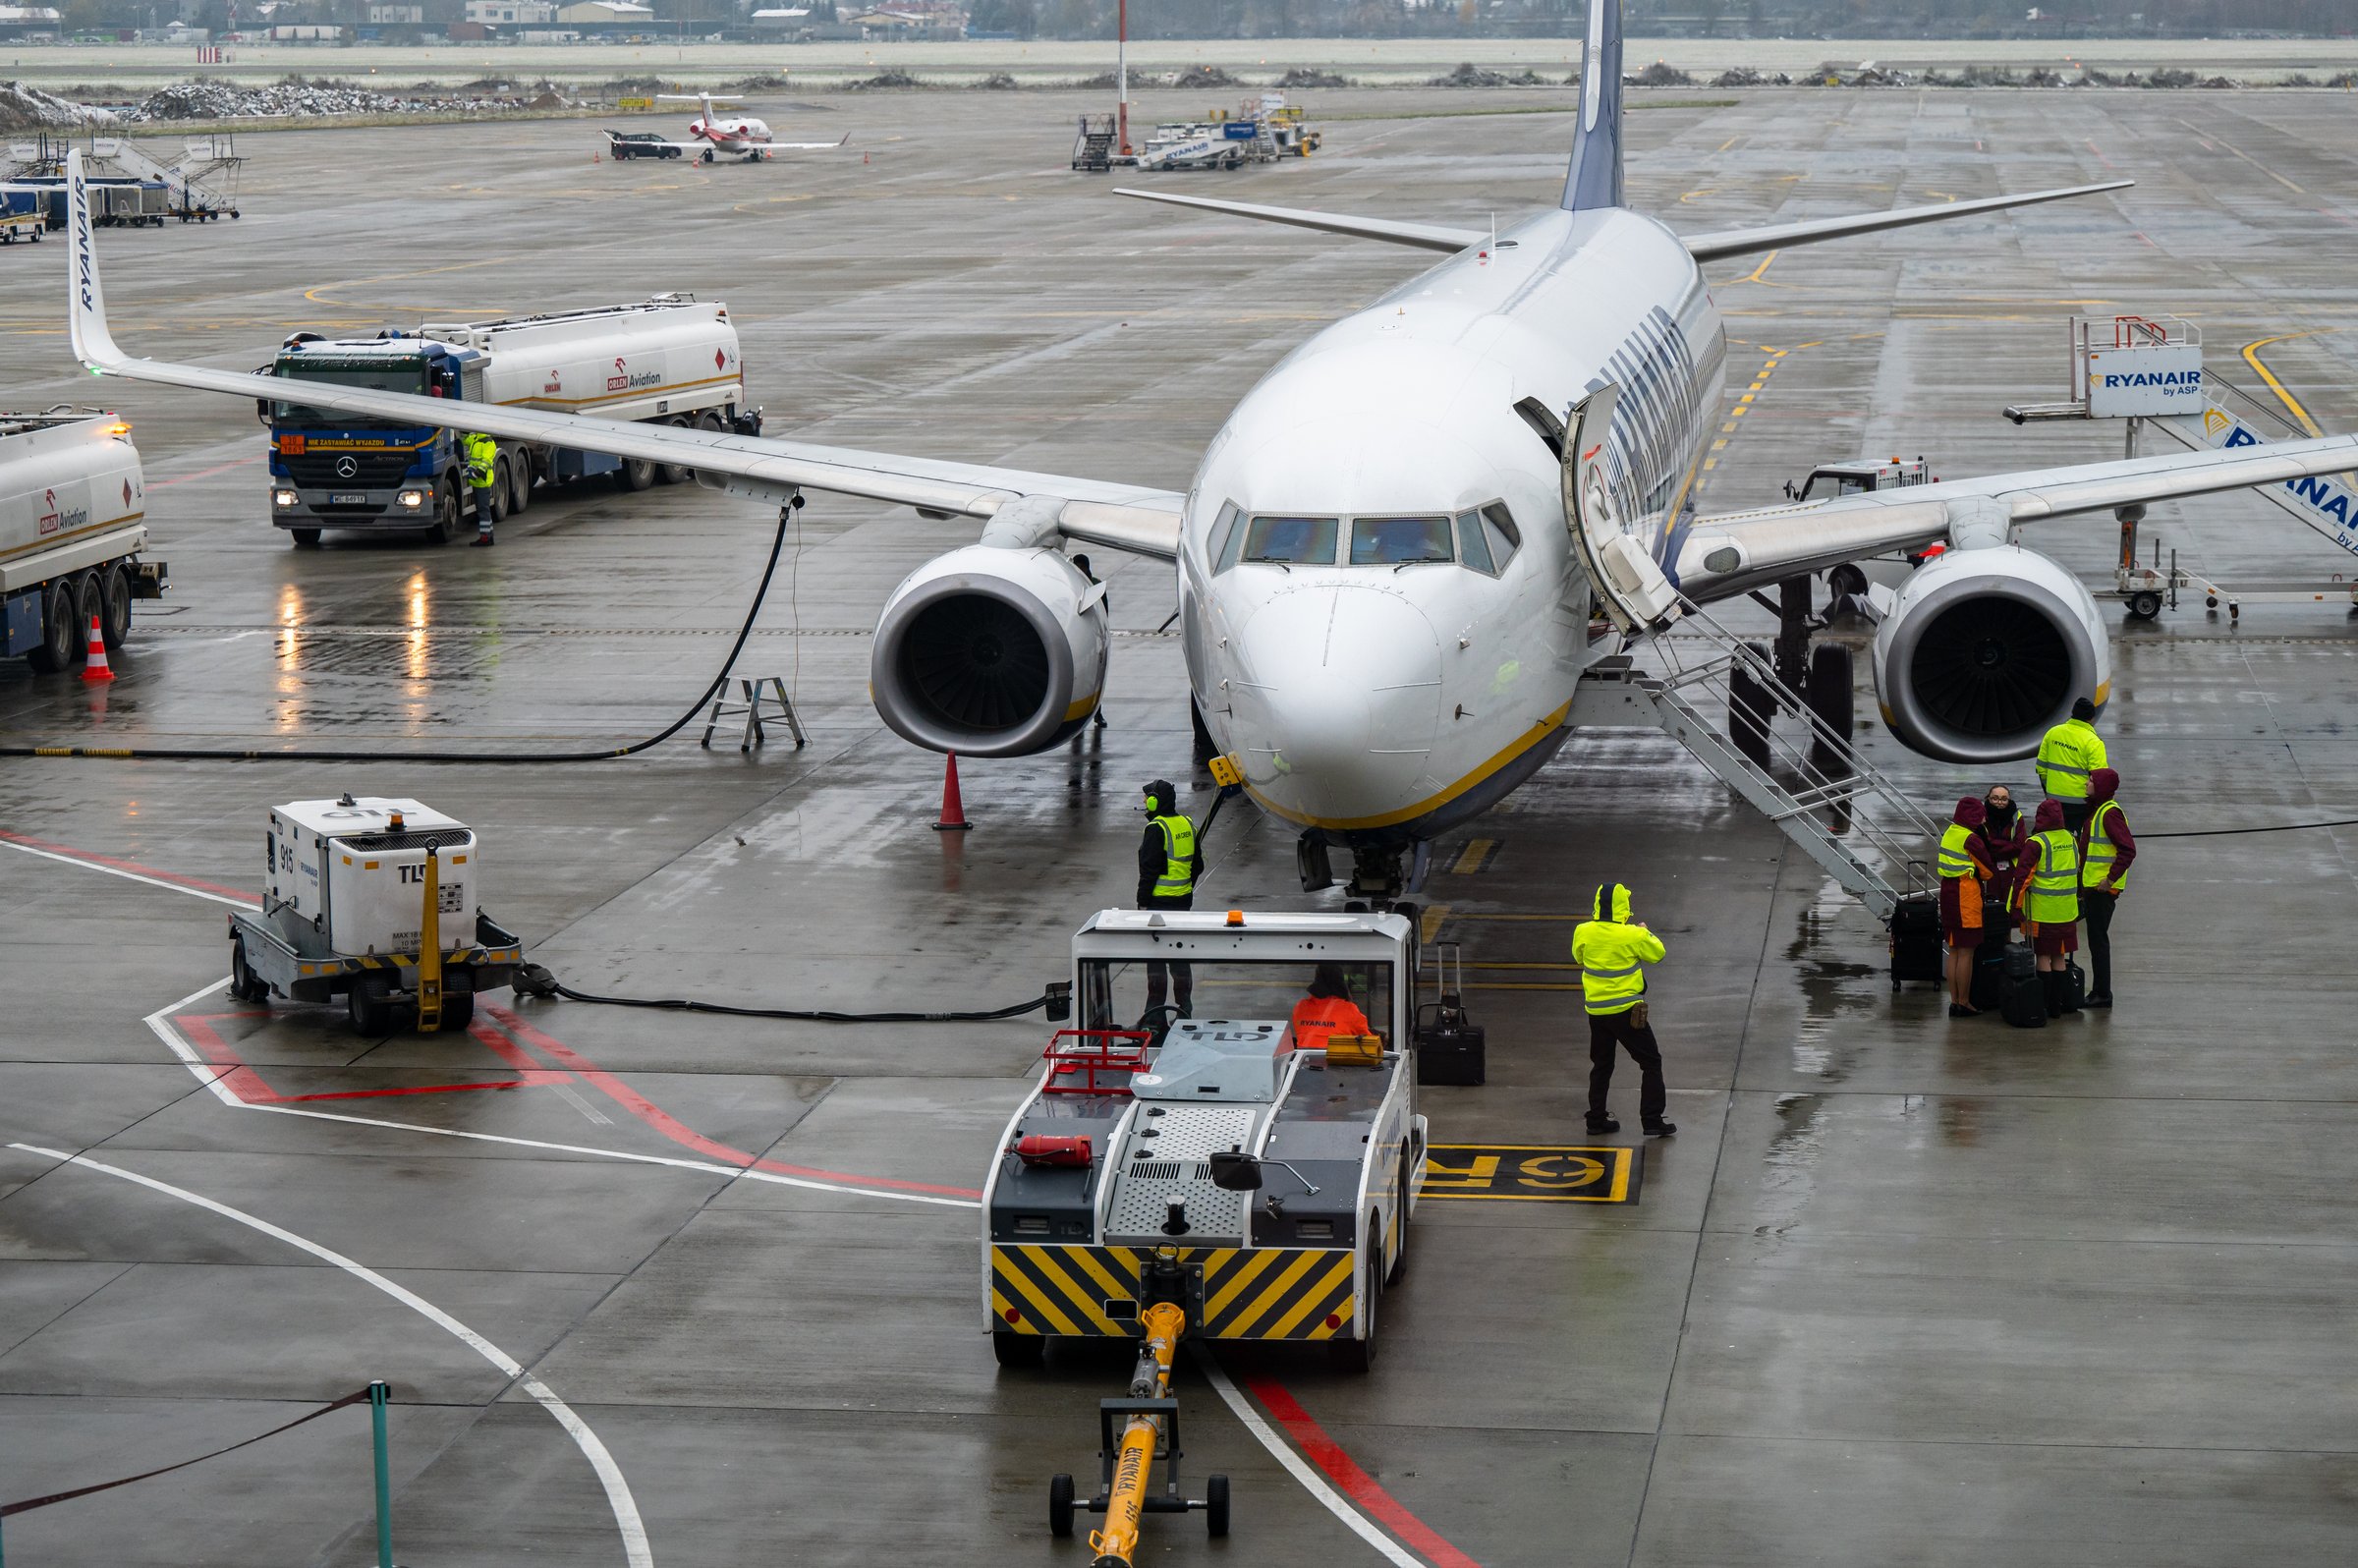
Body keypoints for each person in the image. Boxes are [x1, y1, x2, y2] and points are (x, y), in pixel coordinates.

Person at [1570, 880, 1673, 1137]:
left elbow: (1578, 957)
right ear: (1623, 907)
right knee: (1651, 1062)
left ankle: (1596, 1119)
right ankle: (1651, 1120)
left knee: (1602, 1065)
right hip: (1627, 1012)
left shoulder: (1583, 931)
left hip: (1596, 1012)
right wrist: (1645, 931)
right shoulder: (1633, 934)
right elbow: (1658, 953)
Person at [1137, 779, 1203, 1021]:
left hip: (1158, 907)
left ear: (1155, 801)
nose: (1143, 802)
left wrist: (1142, 903)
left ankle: (1153, 1016)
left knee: (1156, 963)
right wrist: (1184, 888)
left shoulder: (1156, 828)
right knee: (1179, 960)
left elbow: (1149, 871)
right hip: (1182, 904)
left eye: (1146, 798)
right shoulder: (1187, 824)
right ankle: (1184, 1011)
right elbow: (1198, 865)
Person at [2010, 799, 2082, 1014]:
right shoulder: (2071, 839)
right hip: (2067, 911)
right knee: (2059, 956)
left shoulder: (2036, 843)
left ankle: (2043, 1004)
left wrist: (2015, 907)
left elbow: (2022, 878)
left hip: (2043, 912)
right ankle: (2056, 1006)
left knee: (2042, 956)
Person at [2077, 767, 2135, 1010]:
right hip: (2092, 889)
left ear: (2101, 786)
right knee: (2095, 941)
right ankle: (2100, 992)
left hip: (2101, 891)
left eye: (2090, 781)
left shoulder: (2109, 814)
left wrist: (2109, 880)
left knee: (2098, 942)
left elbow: (2128, 850)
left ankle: (2102, 993)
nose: (2086, 784)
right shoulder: (2099, 810)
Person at [1937, 797, 1995, 1018]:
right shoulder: (1971, 838)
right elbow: (1988, 870)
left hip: (1948, 893)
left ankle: (1954, 1001)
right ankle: (1964, 1002)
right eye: (1980, 815)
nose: (1983, 819)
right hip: (1965, 896)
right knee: (1967, 953)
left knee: (1953, 951)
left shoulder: (1950, 832)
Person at [2035, 698, 2108, 832]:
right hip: (2082, 803)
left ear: (2072, 713)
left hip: (2055, 801)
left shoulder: (2053, 733)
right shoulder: (2093, 741)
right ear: (2091, 718)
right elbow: (2100, 777)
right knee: (2083, 842)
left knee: (2060, 840)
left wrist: (2049, 790)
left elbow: (2041, 768)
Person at [1979, 783, 2029, 941]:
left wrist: (1994, 846)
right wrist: (2008, 846)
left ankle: (2006, 947)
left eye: (2004, 799)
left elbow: (2020, 845)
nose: (1999, 802)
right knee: (1988, 910)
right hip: (1989, 869)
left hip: (2010, 871)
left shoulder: (2016, 816)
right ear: (1988, 798)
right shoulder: (1981, 815)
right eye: (1995, 798)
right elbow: (1981, 843)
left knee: (2007, 914)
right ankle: (1990, 948)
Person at [1289, 963, 1373, 1052]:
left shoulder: (1301, 1007)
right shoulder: (1349, 1009)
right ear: (1340, 982)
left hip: (1304, 1060)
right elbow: (1369, 1043)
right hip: (1335, 1063)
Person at [463, 431, 500, 547]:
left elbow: (486, 461)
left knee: (483, 510)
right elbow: (464, 439)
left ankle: (485, 538)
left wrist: (478, 472)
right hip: (477, 482)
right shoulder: (475, 439)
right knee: (483, 510)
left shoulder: (488, 443)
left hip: (482, 482)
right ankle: (489, 536)